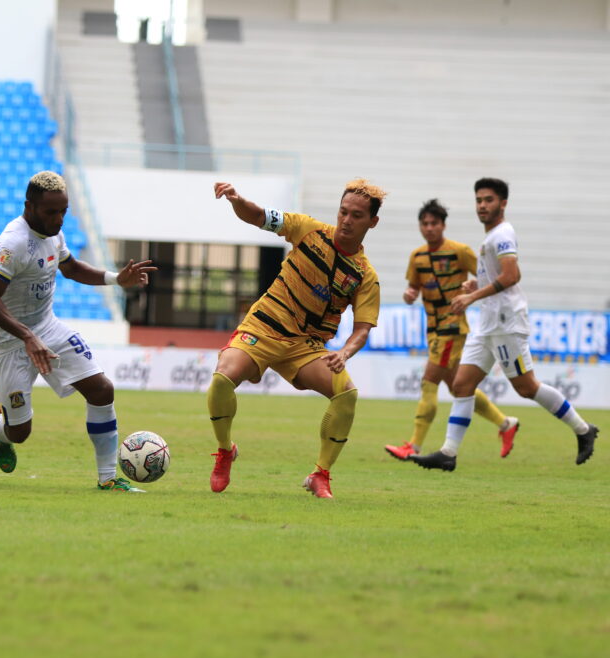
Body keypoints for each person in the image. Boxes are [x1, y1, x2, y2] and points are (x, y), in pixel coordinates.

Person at [0, 171, 156, 491]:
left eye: (64, 211)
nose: (59, 219)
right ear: (29, 206)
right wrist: (27, 337)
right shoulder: (12, 243)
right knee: (20, 432)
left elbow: (71, 267)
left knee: (102, 389)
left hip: (47, 325)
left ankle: (108, 479)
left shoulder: (53, 232)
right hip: (7, 339)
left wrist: (116, 278)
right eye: (51, 212)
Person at [207, 179, 385, 499]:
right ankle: (224, 451)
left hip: (305, 346)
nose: (346, 219)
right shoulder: (307, 229)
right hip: (263, 327)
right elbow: (259, 216)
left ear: (373, 222)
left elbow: (362, 328)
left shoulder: (365, 275)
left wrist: (344, 353)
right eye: (343, 211)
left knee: (347, 395)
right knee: (222, 378)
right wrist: (237, 200)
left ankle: (321, 475)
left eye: (357, 215)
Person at [411, 178, 598, 471]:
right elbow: (508, 272)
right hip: (488, 324)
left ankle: (583, 429)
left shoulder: (502, 234)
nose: (482, 205)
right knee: (461, 385)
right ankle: (448, 453)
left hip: (505, 322)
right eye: (479, 200)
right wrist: (479, 282)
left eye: (489, 200)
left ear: (503, 203)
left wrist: (472, 295)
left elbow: (512, 276)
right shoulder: (493, 237)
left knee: (526, 387)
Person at [385, 199, 518, 461]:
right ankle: (506, 424)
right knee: (460, 388)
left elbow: (490, 275)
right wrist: (410, 294)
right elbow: (413, 286)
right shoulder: (417, 256)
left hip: (452, 327)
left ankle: (414, 445)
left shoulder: (459, 251)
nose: (429, 228)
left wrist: (473, 287)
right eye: (425, 224)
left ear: (443, 225)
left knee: (429, 381)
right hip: (433, 330)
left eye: (434, 223)